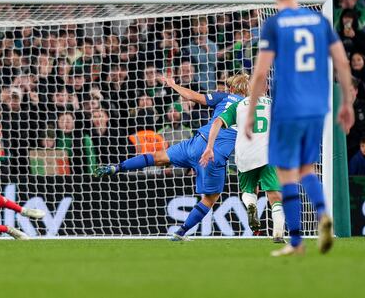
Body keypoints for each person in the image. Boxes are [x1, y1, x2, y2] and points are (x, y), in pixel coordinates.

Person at [246, 0, 354, 257]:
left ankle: (296, 242)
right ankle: (323, 215)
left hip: (288, 109)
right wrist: (346, 103)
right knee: (307, 169)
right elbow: (342, 63)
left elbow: (259, 74)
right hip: (318, 107)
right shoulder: (319, 20)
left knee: (286, 174)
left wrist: (251, 111)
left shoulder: (275, 24)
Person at [94, 73, 249, 241]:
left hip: (196, 142)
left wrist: (173, 85)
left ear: (232, 89)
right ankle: (180, 232)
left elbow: (192, 96)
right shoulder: (250, 107)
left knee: (158, 157)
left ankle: (116, 167)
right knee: (211, 198)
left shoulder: (224, 97)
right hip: (213, 153)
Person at [202, 95, 286, 243]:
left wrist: (209, 147)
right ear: (265, 88)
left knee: (248, 191)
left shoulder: (239, 105)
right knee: (274, 195)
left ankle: (251, 205)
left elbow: (217, 122)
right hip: (267, 153)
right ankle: (278, 233)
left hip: (245, 154)